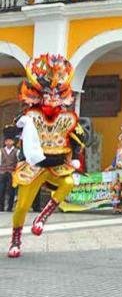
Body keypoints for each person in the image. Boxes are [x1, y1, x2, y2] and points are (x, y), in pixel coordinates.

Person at [7, 54, 87, 258]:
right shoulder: (29, 116)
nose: (52, 98)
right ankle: (16, 238)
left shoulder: (67, 119)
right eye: (48, 93)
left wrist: (76, 154)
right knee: (22, 206)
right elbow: (14, 130)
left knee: (69, 182)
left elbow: (81, 138)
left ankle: (42, 217)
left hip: (56, 165)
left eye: (56, 94)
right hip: (35, 167)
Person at [0, 132, 20, 212]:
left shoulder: (16, 151)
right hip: (2, 172)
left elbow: (18, 162)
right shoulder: (1, 151)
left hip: (12, 173)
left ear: (13, 142)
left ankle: (9, 207)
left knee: (11, 190)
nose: (9, 142)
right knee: (1, 190)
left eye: (10, 141)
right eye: (7, 141)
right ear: (5, 142)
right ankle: (1, 207)